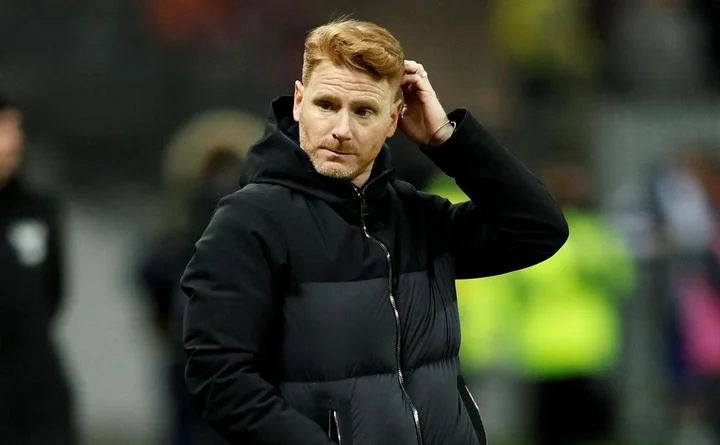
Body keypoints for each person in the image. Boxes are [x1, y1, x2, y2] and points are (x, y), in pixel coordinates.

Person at [180, 18, 568, 445]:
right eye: (326, 105)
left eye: (363, 111)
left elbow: (538, 228)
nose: (341, 130)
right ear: (298, 102)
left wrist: (445, 138)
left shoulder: (418, 218)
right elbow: (221, 380)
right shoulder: (249, 220)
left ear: (395, 119)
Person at [0, 94, 75, 444]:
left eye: (16, 127)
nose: (14, 139)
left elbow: (53, 292)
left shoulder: (38, 210)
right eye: (3, 126)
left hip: (36, 393)